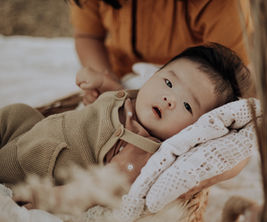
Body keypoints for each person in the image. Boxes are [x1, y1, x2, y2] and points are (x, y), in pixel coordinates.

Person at [0, 43, 250, 205]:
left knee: (10, 164)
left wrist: (48, 198)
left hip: (41, 163)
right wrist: (103, 83)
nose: (169, 98)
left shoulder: (142, 150)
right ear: (154, 75)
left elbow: (99, 188)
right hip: (35, 130)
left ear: (194, 130)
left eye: (187, 106)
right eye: (168, 82)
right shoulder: (137, 98)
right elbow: (121, 95)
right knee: (17, 112)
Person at [69, 0, 254, 104]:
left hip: (187, 95)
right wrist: (105, 81)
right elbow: (88, 36)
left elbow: (228, 81)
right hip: (120, 78)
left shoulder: (224, 3)